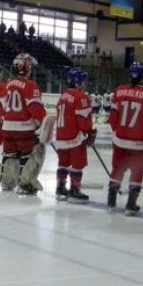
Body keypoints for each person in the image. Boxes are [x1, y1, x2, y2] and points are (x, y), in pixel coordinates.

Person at [107, 61, 143, 215]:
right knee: (137, 172)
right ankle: (131, 204)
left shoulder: (120, 91)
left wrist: (120, 131)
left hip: (120, 140)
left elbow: (113, 119)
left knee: (117, 169)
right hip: (141, 143)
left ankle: (111, 200)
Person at [0, 53, 46, 194]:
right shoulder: (31, 85)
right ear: (28, 68)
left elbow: (1, 106)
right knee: (34, 151)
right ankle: (26, 183)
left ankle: (7, 182)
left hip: (7, 127)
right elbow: (36, 110)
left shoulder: (7, 84)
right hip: (24, 129)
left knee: (10, 154)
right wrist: (41, 123)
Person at [55, 67, 95, 203]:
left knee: (63, 163)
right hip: (75, 137)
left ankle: (60, 187)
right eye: (83, 81)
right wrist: (90, 133)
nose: (84, 84)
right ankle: (74, 189)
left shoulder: (63, 96)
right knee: (78, 164)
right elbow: (84, 122)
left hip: (61, 136)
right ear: (78, 82)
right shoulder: (81, 97)